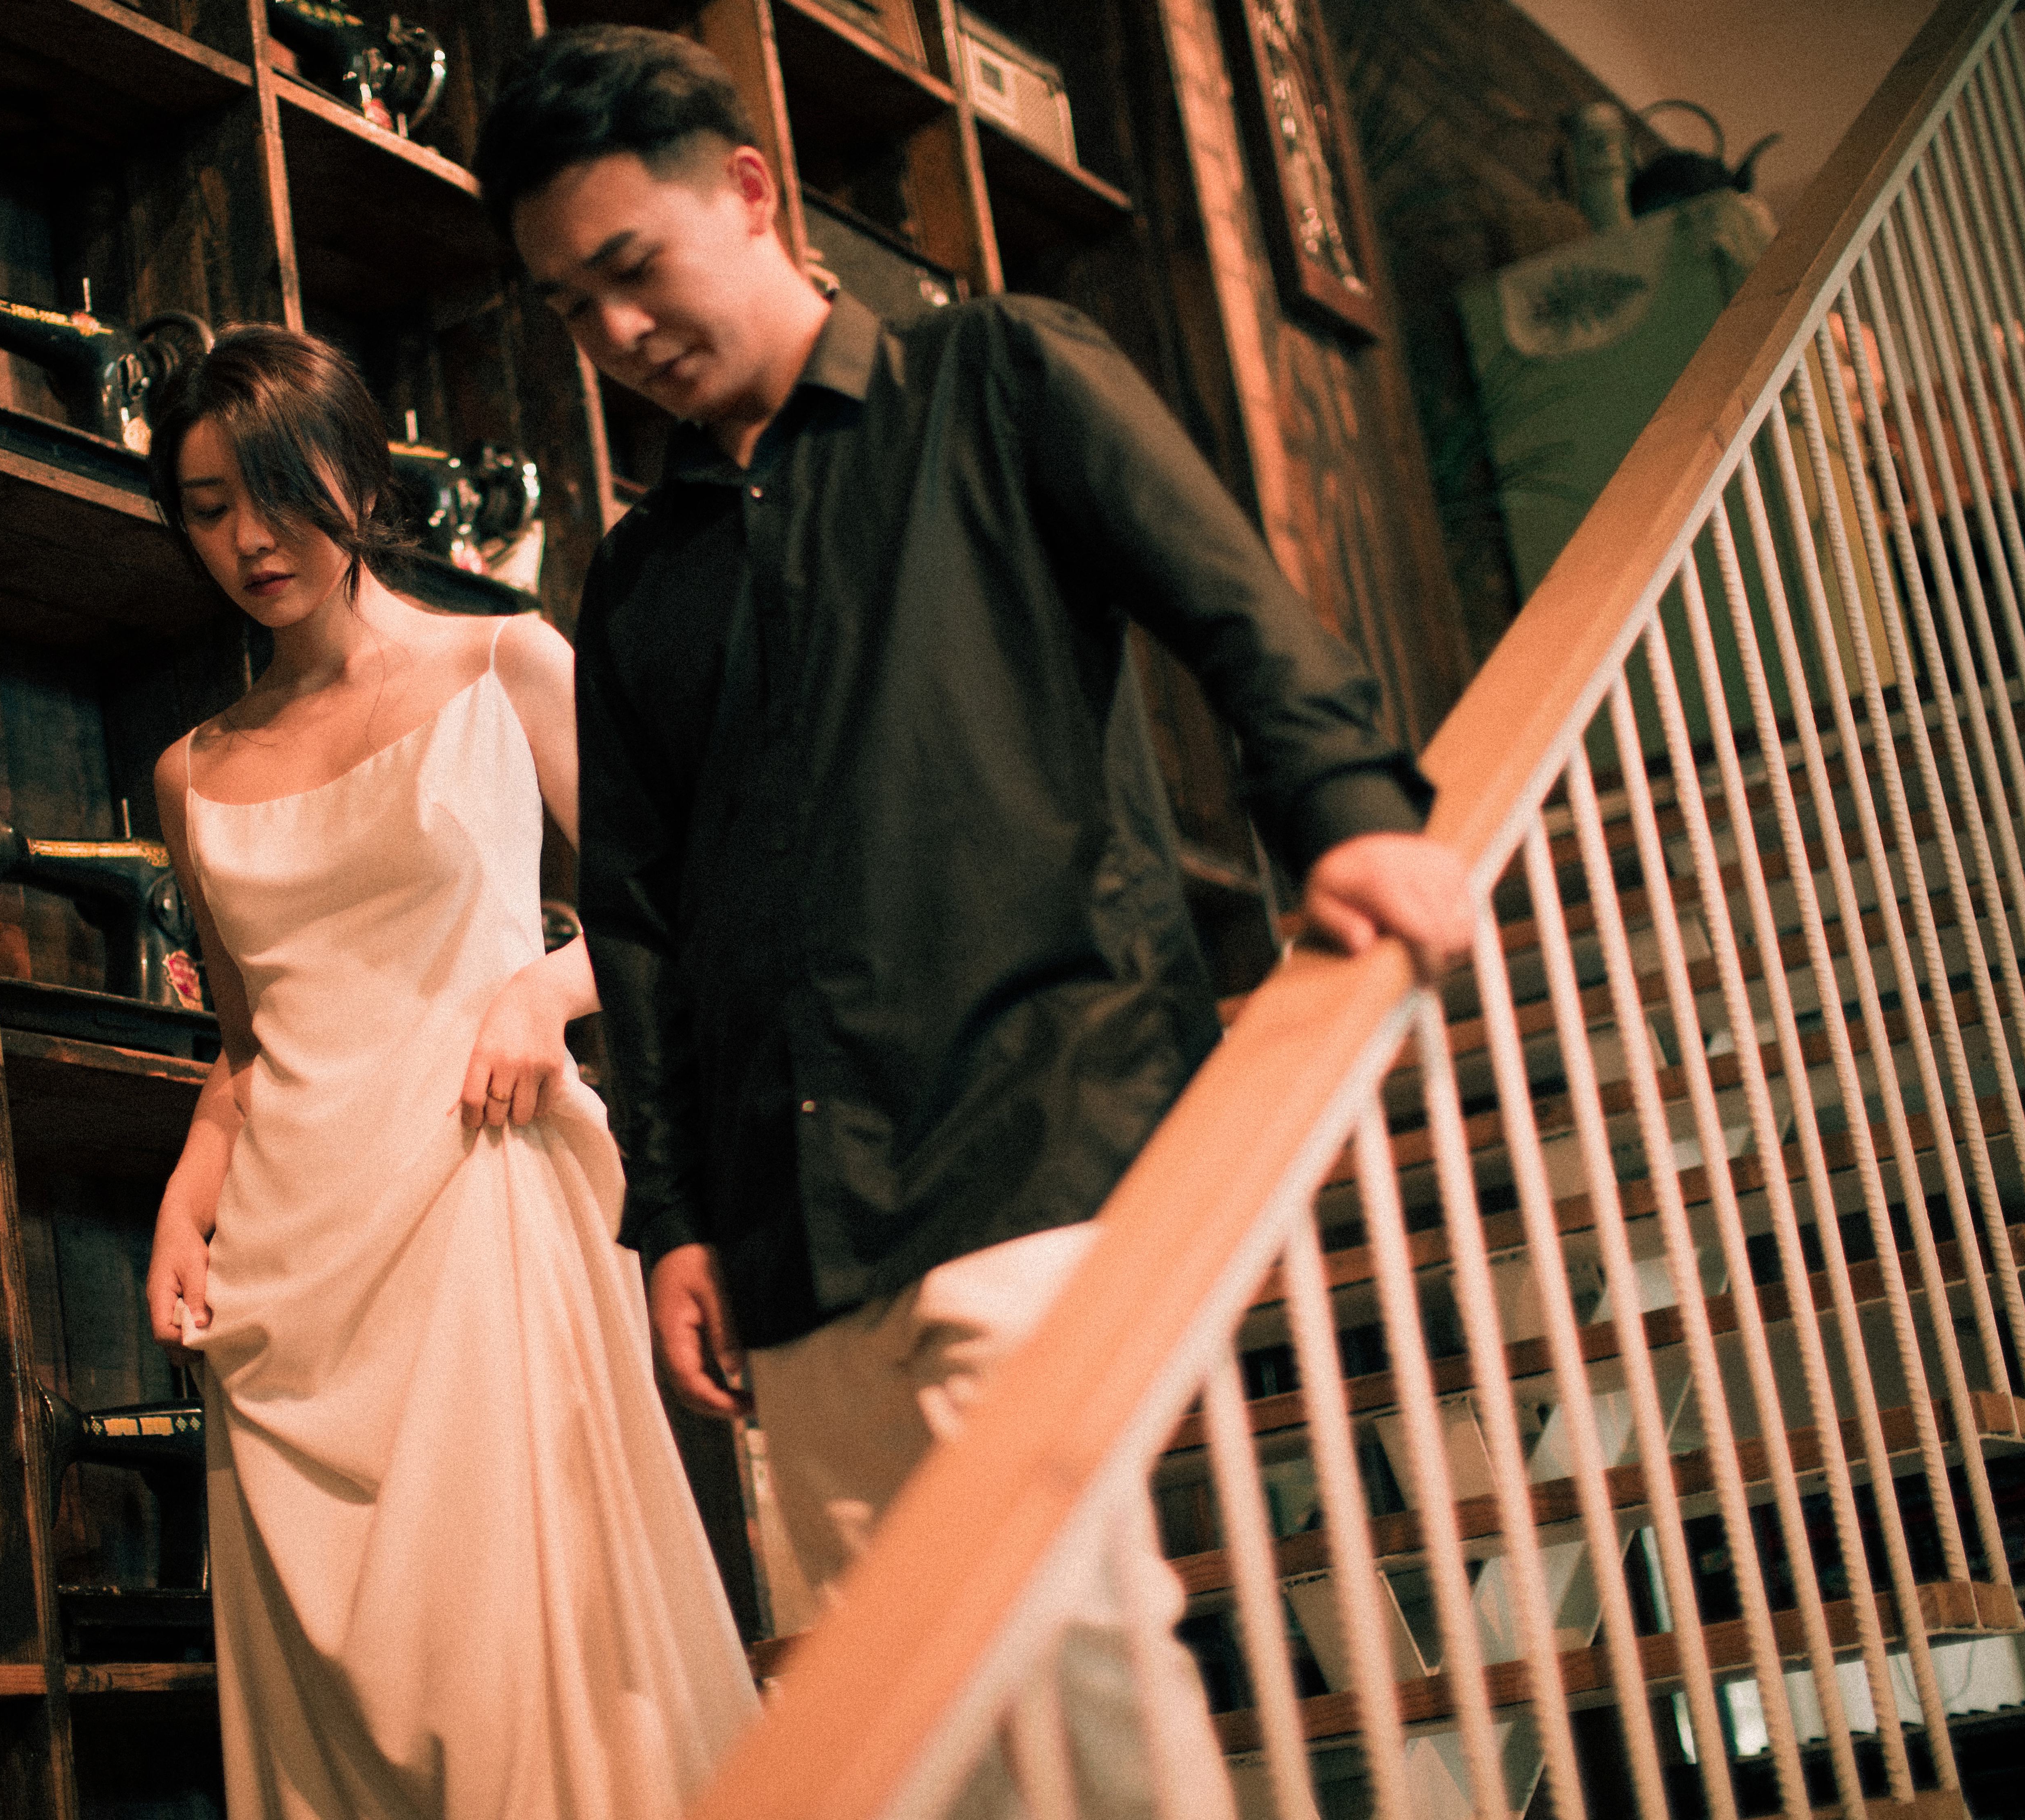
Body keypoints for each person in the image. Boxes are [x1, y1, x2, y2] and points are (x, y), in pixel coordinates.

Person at [473, 24, 1474, 1810]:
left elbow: (1234, 608)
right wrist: (674, 1221)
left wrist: (1350, 816)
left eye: (633, 267)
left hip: (1038, 1130)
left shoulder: (1000, 376)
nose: (616, 332)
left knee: (1072, 1653)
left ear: (751, 194)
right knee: (922, 1743)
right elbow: (637, 922)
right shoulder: (634, 580)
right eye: (571, 307)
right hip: (791, 1231)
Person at [137, 325, 758, 1820]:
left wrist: (549, 986)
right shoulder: (192, 772)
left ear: (357, 481)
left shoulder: (506, 663)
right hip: (288, 1259)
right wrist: (184, 1200)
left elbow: (680, 902)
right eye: (210, 508)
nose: (251, 539)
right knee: (352, 1720)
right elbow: (247, 1046)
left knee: (518, 1661)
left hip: (478, 1200)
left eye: (280, 493)